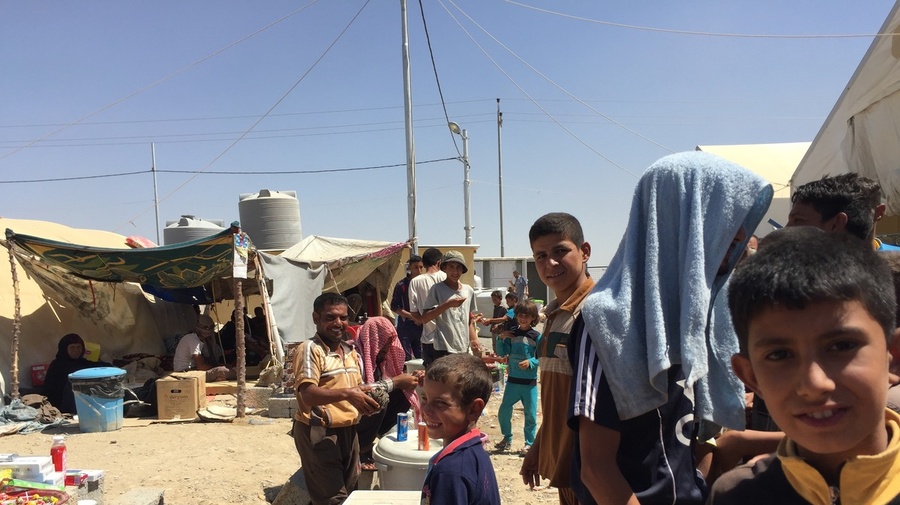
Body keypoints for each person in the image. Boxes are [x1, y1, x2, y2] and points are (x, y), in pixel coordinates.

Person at [573, 151, 772, 504]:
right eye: (719, 213)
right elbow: (597, 470)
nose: (740, 233)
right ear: (678, 220)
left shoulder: (704, 317)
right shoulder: (606, 322)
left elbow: (697, 436)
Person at [709, 227, 900, 504]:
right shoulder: (736, 496)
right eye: (780, 355)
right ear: (751, 377)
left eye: (842, 346)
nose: (814, 383)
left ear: (892, 357)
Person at [519, 212, 594, 505]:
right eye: (540, 256)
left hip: (592, 471)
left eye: (560, 251)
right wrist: (539, 447)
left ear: (584, 252)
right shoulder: (553, 315)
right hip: (566, 467)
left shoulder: (595, 313)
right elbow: (559, 400)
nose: (550, 263)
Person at [292, 293, 381, 505]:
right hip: (320, 432)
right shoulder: (310, 349)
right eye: (330, 317)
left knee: (349, 494)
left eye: (343, 317)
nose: (338, 323)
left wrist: (390, 386)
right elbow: (308, 394)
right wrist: (348, 394)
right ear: (316, 318)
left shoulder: (350, 351)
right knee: (333, 499)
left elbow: (357, 388)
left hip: (349, 431)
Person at [420, 353, 501, 505]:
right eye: (424, 398)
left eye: (440, 403)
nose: (426, 410)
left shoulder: (451, 471)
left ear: (473, 409)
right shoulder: (474, 451)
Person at [353, 316, 420, 471]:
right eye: (383, 345)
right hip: (350, 412)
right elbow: (359, 390)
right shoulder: (354, 356)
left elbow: (393, 380)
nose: (386, 350)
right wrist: (396, 382)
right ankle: (362, 448)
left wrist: (412, 379)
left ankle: (382, 434)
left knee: (403, 393)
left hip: (367, 415)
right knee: (378, 397)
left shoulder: (381, 359)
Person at [787, 172, 900, 250]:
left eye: (798, 220)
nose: (786, 228)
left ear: (837, 222)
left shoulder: (895, 263)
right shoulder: (797, 268)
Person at [494, 299, 541, 455]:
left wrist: (531, 362)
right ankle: (507, 438)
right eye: (520, 315)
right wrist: (501, 338)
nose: (523, 318)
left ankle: (529, 444)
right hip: (513, 382)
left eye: (527, 316)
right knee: (504, 411)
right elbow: (502, 352)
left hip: (529, 384)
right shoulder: (512, 334)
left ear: (533, 318)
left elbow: (542, 357)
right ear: (516, 316)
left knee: (530, 414)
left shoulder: (536, 336)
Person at [419, 250, 480, 363]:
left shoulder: (468, 290)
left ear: (462, 270)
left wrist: (474, 339)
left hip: (463, 347)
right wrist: (447, 305)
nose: (455, 271)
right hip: (443, 348)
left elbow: (469, 319)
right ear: (444, 268)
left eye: (458, 267)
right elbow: (424, 318)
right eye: (451, 267)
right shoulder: (437, 289)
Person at [42, 333, 106, 414]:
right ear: (65, 349)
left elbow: (96, 366)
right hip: (61, 408)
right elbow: (50, 392)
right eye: (72, 347)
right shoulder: (57, 366)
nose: (76, 350)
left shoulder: (83, 363)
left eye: (79, 347)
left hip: (83, 405)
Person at [409, 248, 447, 367]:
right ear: (439, 262)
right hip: (448, 339)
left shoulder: (415, 282)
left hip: (429, 340)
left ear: (424, 264)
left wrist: (423, 320)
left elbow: (414, 312)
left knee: (432, 374)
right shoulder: (447, 277)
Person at [391, 254, 425, 360]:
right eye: (416, 267)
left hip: (421, 326)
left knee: (422, 357)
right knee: (405, 358)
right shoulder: (402, 285)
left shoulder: (424, 284)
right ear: (409, 267)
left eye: (421, 267)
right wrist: (413, 317)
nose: (419, 271)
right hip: (406, 326)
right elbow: (394, 307)